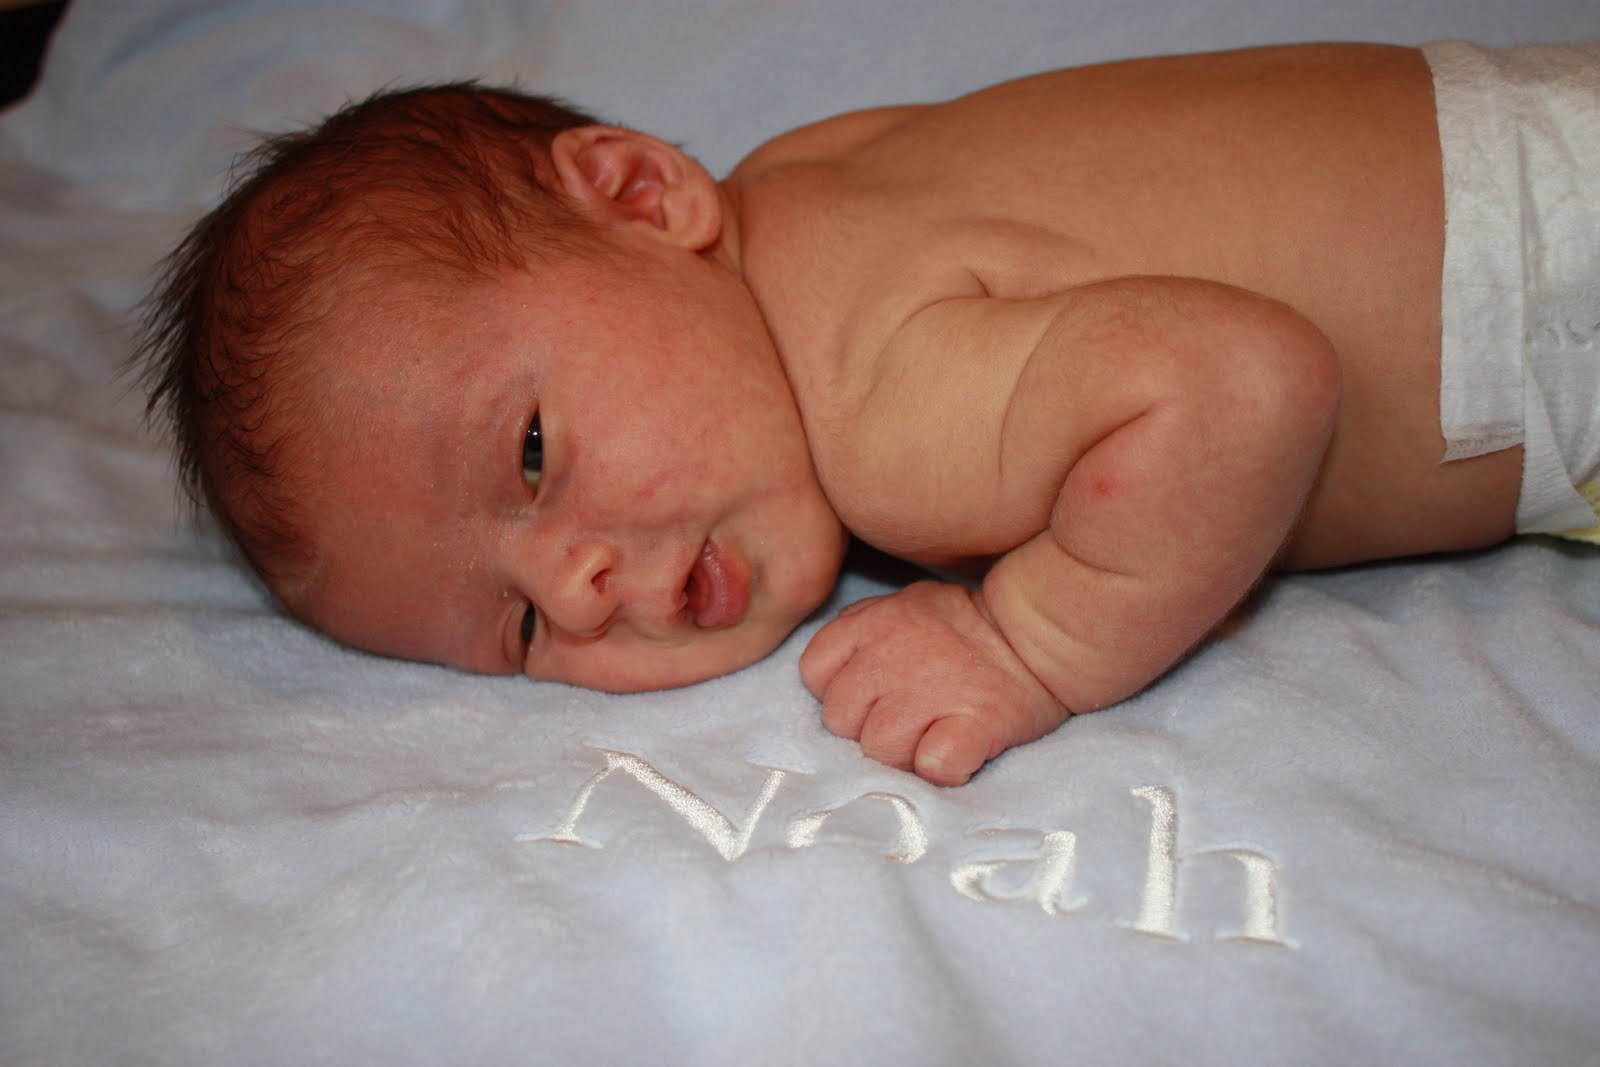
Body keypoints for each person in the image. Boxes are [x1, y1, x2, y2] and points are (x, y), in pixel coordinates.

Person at [135, 40, 1600, 785]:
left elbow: (1242, 381)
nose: (574, 586)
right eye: (514, 631)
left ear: (647, 197)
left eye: (530, 455)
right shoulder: (810, 179)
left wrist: (1026, 640)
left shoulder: (874, 410)